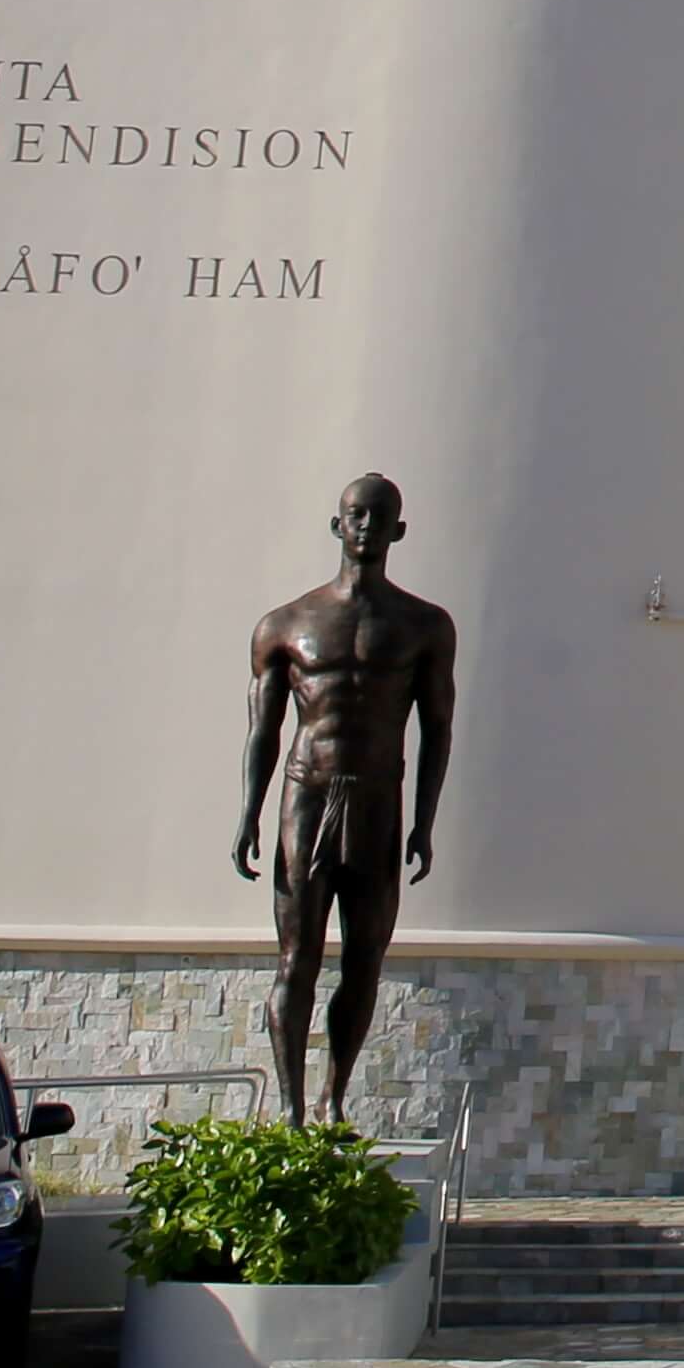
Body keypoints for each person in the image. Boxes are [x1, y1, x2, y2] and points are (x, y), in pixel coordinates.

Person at [236, 473, 459, 1123]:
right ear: (338, 526)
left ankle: (334, 1099)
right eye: (355, 515)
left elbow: (437, 726)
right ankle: (291, 1108)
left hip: (377, 800)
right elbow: (263, 729)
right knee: (297, 958)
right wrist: (249, 815)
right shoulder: (286, 624)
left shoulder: (424, 626)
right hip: (307, 796)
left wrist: (423, 822)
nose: (365, 525)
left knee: (365, 958)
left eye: (379, 515)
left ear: (399, 530)